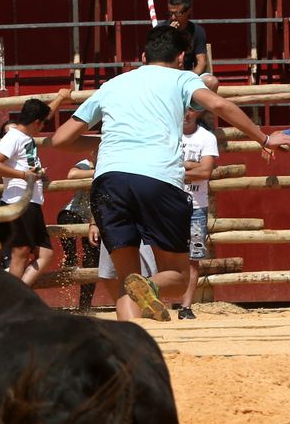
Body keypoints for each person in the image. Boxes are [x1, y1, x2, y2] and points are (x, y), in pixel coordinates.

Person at [50, 22, 290, 322]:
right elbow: (218, 104)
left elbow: (61, 139)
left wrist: (112, 139)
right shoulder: (182, 79)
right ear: (180, 57)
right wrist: (264, 138)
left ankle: (131, 356)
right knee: (175, 277)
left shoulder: (111, 85)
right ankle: (149, 286)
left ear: (142, 55)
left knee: (127, 280)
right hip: (157, 179)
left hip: (108, 181)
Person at [0, 92, 72, 287]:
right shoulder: (14, 137)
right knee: (20, 254)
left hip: (29, 202)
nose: (43, 127)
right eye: (42, 124)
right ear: (35, 122)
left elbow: (45, 115)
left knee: (44, 252)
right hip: (20, 200)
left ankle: (18, 295)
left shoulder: (22, 134)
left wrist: (59, 97)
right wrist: (25, 175)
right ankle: (13, 300)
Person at [177, 106, 220, 319]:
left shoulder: (207, 137)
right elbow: (200, 170)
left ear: (198, 113)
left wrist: (178, 168)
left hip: (196, 207)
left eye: (191, 109)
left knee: (193, 258)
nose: (187, 114)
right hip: (171, 206)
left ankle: (186, 306)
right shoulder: (169, 133)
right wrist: (192, 166)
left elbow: (205, 172)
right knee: (163, 253)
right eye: (185, 109)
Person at [55, 155, 100, 311]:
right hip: (77, 211)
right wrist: (98, 171)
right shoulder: (86, 164)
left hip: (97, 218)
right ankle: (71, 258)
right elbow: (72, 174)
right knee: (67, 217)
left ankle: (84, 306)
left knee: (92, 260)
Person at [167, 0, 209, 77]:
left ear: (188, 11)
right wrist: (169, 34)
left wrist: (190, 78)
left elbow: (202, 62)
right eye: (170, 13)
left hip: (189, 73)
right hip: (166, 73)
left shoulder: (197, 31)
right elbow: (156, 60)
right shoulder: (160, 30)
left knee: (211, 81)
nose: (173, 17)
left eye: (177, 13)